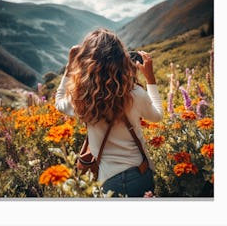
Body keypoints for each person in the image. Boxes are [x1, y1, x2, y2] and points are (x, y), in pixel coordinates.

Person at [55, 28, 163, 197]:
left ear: (85, 61)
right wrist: (150, 79)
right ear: (122, 60)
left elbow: (59, 103)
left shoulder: (81, 96)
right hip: (140, 173)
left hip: (107, 179)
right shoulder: (134, 94)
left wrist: (69, 66)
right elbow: (157, 116)